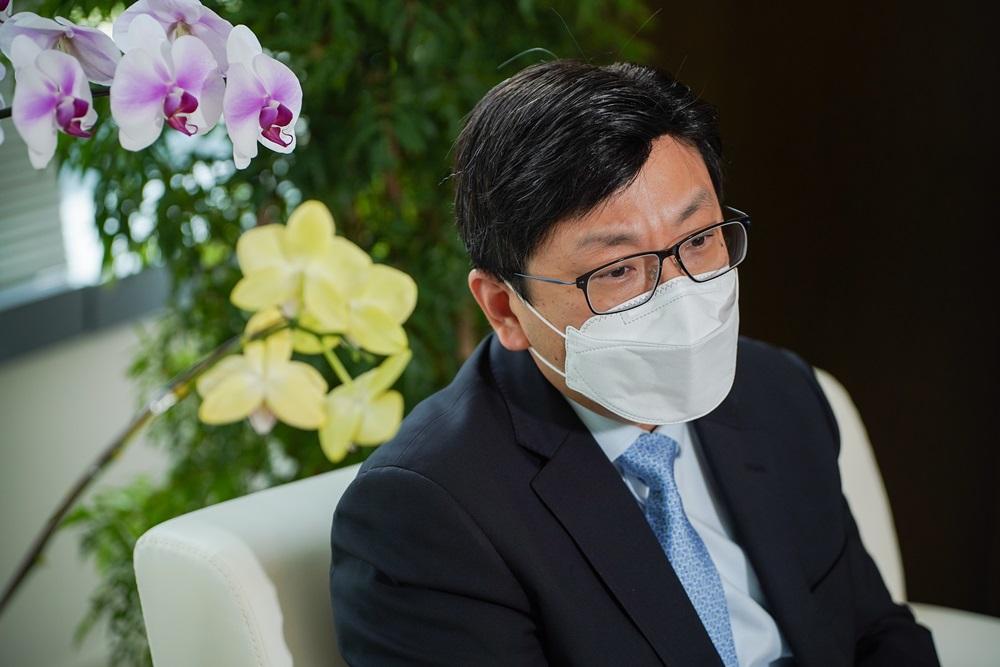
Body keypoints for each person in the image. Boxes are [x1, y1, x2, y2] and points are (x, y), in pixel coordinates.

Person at [328, 59, 939, 666]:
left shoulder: (778, 392)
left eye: (699, 239)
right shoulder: (426, 514)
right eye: (617, 269)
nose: (679, 293)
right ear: (505, 309)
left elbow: (874, 634)